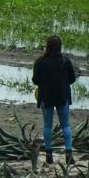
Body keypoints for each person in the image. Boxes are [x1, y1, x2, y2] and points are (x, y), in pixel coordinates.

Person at [32, 34, 76, 164]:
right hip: (63, 97)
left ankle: (49, 155)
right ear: (60, 47)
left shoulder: (40, 62)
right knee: (66, 125)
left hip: (46, 97)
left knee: (47, 126)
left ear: (48, 46)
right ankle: (68, 154)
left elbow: (35, 80)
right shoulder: (65, 61)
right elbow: (72, 79)